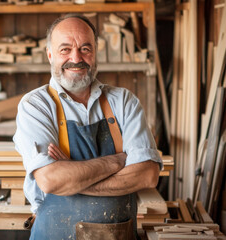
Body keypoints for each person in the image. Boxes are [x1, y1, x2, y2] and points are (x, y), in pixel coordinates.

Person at [13, 14, 162, 240]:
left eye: (85, 48)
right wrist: (117, 161)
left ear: (95, 53)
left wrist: (72, 179)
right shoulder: (36, 106)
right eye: (65, 49)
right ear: (50, 55)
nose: (76, 58)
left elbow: (147, 175)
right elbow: (51, 180)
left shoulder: (123, 102)